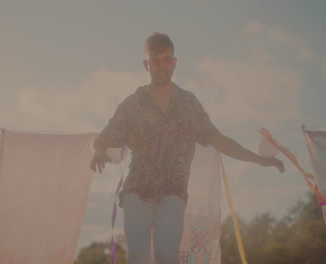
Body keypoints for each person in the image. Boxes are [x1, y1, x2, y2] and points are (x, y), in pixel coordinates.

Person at [90, 32, 285, 264]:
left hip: (174, 190)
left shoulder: (189, 104)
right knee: (138, 256)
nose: (161, 66)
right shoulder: (132, 104)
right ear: (146, 64)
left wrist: (260, 160)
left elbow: (219, 140)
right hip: (137, 189)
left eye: (166, 59)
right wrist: (98, 152)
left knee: (166, 255)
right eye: (155, 60)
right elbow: (102, 139)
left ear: (174, 62)